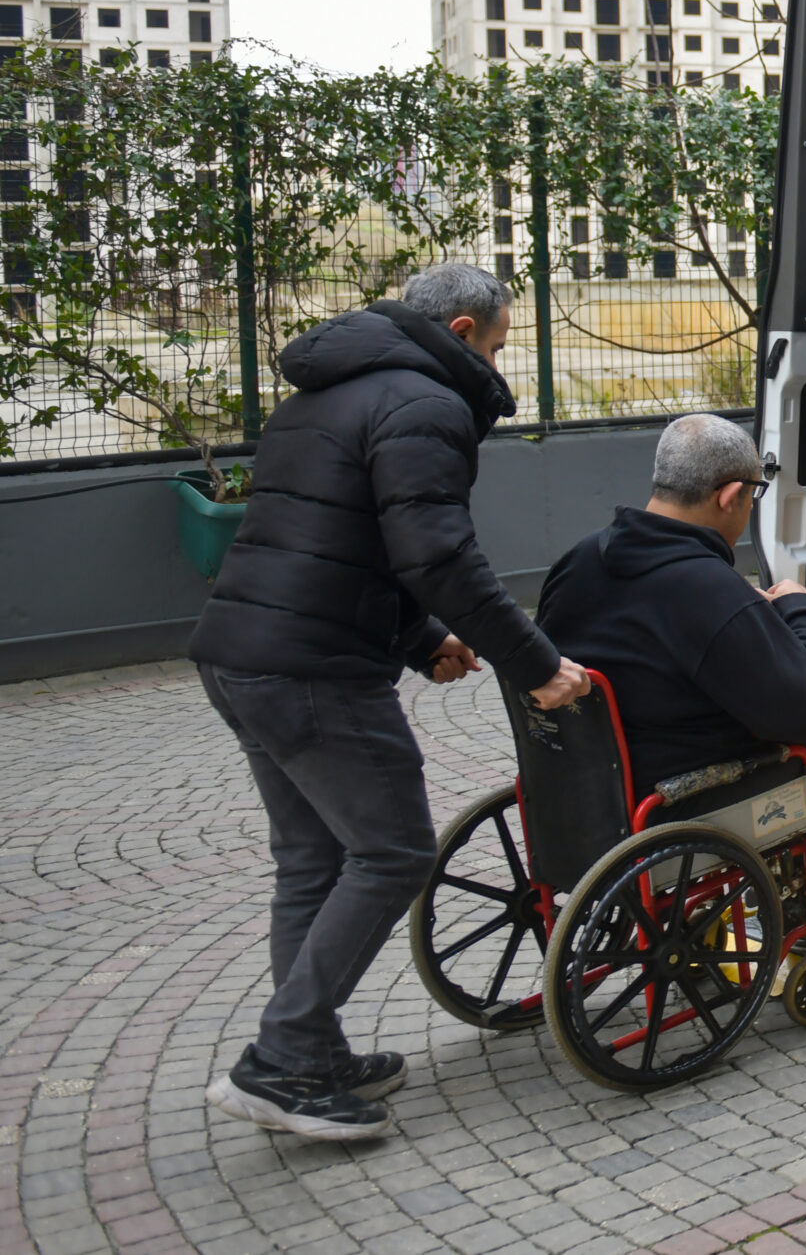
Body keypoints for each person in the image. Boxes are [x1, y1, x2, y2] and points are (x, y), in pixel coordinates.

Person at [190, 264, 590, 1142]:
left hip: (240, 653)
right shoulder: (425, 403)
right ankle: (284, 1058)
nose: (498, 361)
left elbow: (344, 535)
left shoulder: (329, 389)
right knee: (394, 850)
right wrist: (535, 664)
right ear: (458, 330)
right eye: (495, 342)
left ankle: (311, 1049)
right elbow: (438, 555)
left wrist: (421, 642)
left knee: (312, 859)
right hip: (311, 670)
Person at [534, 414, 806, 919]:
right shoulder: (701, 586)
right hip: (668, 799)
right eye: (754, 495)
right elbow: (804, 708)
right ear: (730, 494)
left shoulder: (577, 561)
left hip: (580, 786)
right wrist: (800, 608)